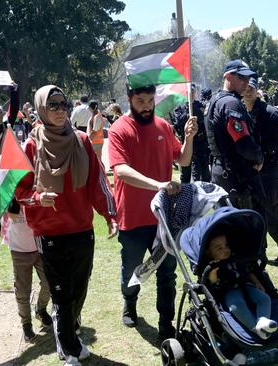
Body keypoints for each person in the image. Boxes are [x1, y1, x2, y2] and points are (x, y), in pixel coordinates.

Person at [14, 85, 118, 366]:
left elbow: (98, 181)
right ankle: (69, 348)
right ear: (41, 110)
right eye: (53, 106)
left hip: (82, 229)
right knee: (61, 292)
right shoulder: (32, 144)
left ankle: (70, 337)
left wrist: (110, 215)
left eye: (63, 105)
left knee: (79, 289)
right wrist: (38, 198)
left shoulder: (82, 140)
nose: (60, 111)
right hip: (50, 232)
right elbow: (20, 190)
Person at [108, 83, 197, 342]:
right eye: (140, 101)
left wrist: (189, 138)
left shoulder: (163, 126)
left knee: (167, 272)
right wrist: (158, 184)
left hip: (163, 219)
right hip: (133, 217)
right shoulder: (119, 129)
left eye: (149, 100)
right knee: (132, 269)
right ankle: (129, 300)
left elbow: (183, 159)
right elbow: (121, 170)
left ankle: (165, 323)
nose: (146, 106)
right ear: (129, 99)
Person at [243, 78, 278, 265]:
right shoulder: (240, 111)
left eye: (251, 89)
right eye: (245, 88)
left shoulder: (270, 113)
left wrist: (271, 159)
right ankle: (270, 252)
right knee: (258, 212)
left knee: (270, 212)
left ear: (257, 91)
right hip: (251, 172)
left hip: (268, 172)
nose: (247, 92)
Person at [205, 60, 264, 211]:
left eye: (247, 78)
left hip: (222, 172)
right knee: (251, 230)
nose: (246, 82)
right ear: (228, 76)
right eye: (241, 78)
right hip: (237, 177)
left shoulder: (214, 100)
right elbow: (243, 143)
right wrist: (259, 157)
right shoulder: (231, 103)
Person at [205, 233, 277, 340]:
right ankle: (254, 327)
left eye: (227, 245)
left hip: (246, 284)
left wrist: (257, 282)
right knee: (236, 305)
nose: (225, 249)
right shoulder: (212, 266)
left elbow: (248, 271)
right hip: (228, 289)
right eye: (219, 248)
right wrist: (213, 273)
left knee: (264, 298)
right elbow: (215, 285)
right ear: (209, 253)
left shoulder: (236, 257)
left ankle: (262, 320)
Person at [1, 199, 52, 343]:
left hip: (40, 248)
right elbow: (4, 220)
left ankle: (41, 310)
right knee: (23, 291)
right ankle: (26, 324)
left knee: (49, 283)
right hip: (19, 252)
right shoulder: (7, 199)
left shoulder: (35, 195)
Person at [173, 84, 211, 183]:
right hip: (186, 144)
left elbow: (204, 119)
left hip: (200, 144)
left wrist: (194, 107)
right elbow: (179, 121)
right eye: (189, 92)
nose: (191, 94)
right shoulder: (180, 107)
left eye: (193, 92)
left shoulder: (200, 105)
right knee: (185, 174)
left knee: (204, 173)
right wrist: (189, 111)